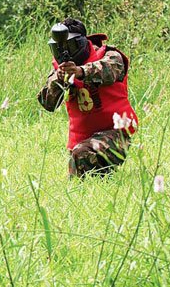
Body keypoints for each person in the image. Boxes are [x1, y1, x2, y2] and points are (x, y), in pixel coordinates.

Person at [37, 18, 139, 177]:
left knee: (82, 154)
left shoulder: (109, 55)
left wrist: (80, 72)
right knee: (79, 173)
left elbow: (108, 71)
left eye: (71, 46)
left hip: (117, 133)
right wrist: (59, 79)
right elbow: (47, 103)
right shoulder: (59, 70)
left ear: (81, 43)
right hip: (82, 142)